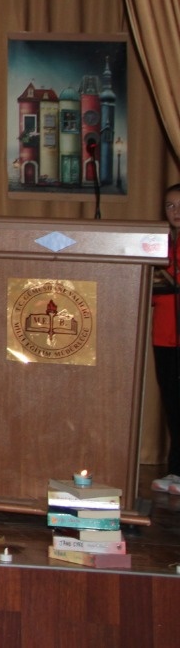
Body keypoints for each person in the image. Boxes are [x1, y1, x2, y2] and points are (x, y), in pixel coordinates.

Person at [153, 184, 180, 494]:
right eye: (170, 206)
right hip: (164, 335)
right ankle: (175, 470)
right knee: (172, 404)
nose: (175, 211)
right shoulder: (161, 243)